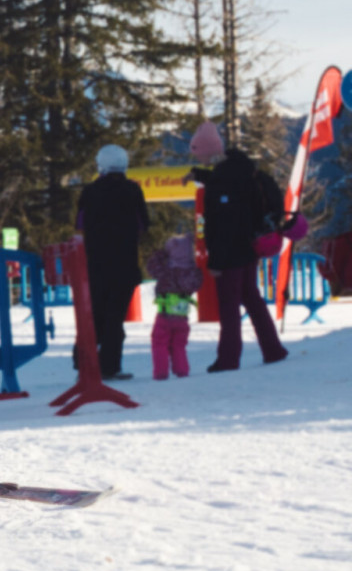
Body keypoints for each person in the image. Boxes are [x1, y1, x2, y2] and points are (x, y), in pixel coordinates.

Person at [186, 124, 289, 372]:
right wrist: (199, 175)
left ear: (209, 151)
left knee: (229, 306)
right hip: (250, 246)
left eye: (198, 153)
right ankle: (273, 349)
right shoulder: (239, 168)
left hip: (231, 253)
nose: (197, 158)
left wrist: (215, 262)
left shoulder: (222, 181)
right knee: (252, 298)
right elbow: (231, 188)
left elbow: (222, 224)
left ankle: (228, 359)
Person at [75, 144, 150, 381]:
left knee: (95, 314)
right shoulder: (132, 190)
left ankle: (83, 361)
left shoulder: (90, 191)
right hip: (124, 264)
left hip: (96, 264)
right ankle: (110, 366)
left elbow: (80, 223)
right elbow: (143, 224)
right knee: (114, 317)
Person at [145, 235, 203, 380]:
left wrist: (162, 253)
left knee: (159, 343)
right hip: (182, 317)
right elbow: (198, 283)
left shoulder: (166, 272)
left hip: (165, 315)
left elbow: (151, 265)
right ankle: (182, 370)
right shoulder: (193, 273)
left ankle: (161, 372)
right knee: (179, 345)